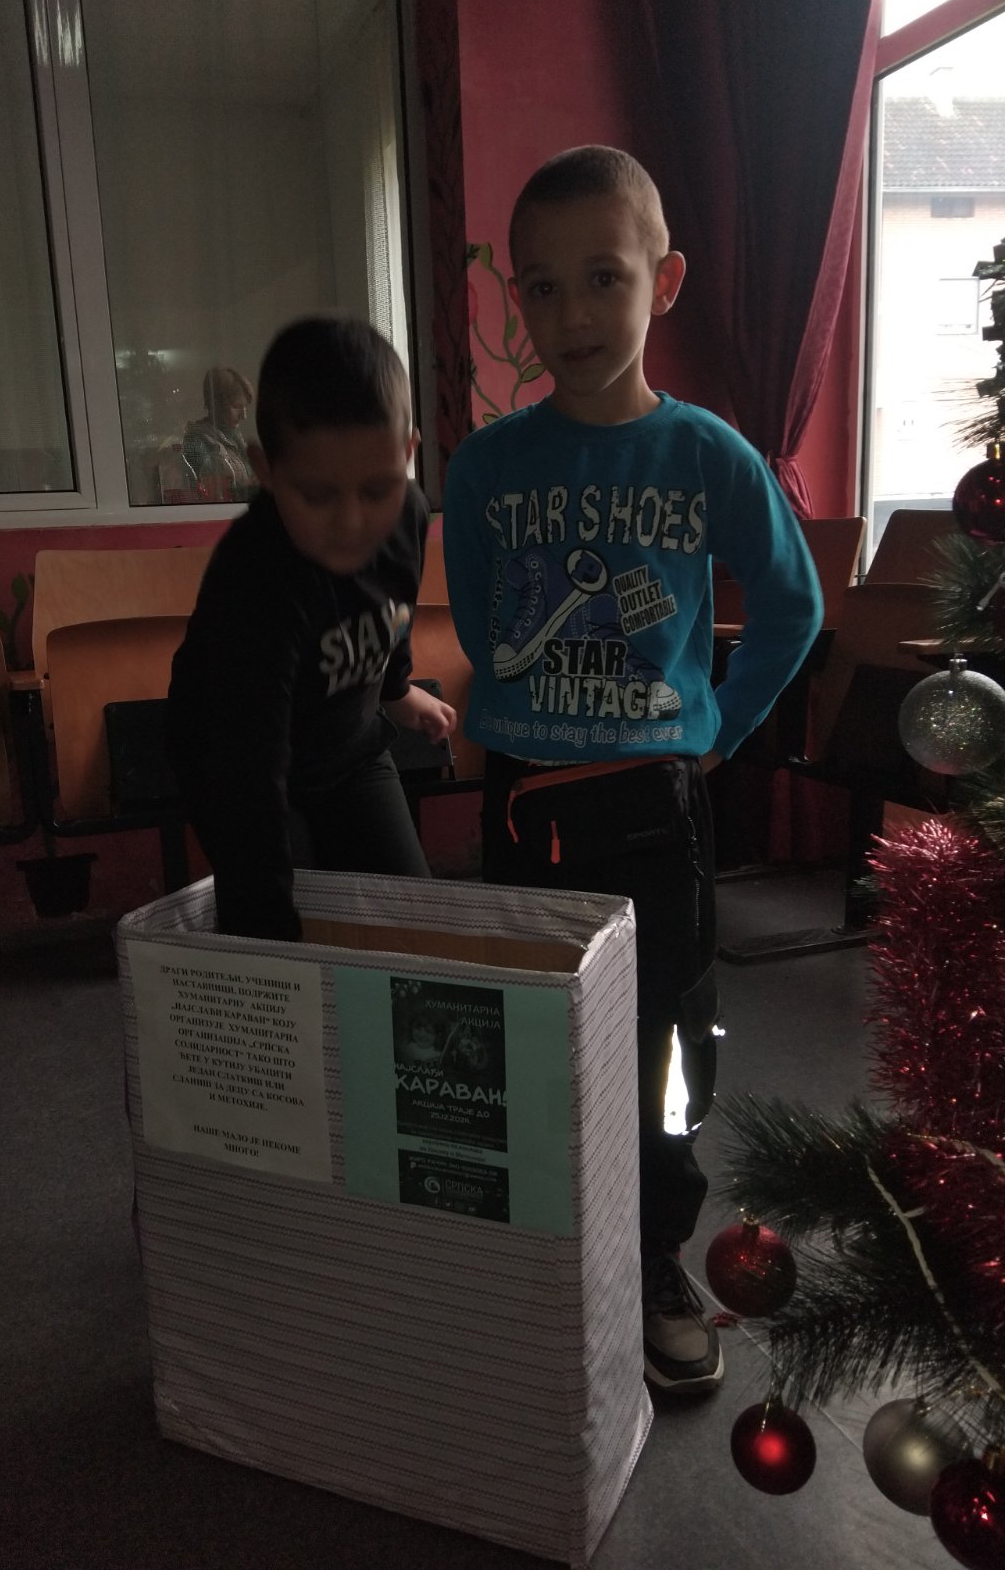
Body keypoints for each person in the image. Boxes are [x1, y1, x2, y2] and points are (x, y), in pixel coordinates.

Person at [442, 146, 823, 1394]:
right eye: (542, 287)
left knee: (668, 1044)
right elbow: (484, 621)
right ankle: (550, 1244)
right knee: (529, 1033)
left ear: (664, 281)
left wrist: (721, 728)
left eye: (603, 277)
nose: (572, 315)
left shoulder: (707, 454)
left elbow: (792, 605)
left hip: (658, 804)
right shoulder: (485, 467)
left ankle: (657, 1253)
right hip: (525, 797)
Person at [167, 316, 455, 941]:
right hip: (240, 763)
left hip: (348, 749)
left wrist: (396, 689)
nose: (352, 523)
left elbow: (392, 613)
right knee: (290, 936)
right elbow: (247, 783)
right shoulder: (253, 581)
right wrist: (275, 941)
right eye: (318, 496)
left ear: (407, 455)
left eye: (376, 490)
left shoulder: (408, 514)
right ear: (266, 470)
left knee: (413, 926)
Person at [182, 365, 259, 502]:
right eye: (236, 406)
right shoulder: (196, 442)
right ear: (216, 404)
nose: (244, 416)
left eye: (245, 407)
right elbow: (212, 490)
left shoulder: (238, 440)